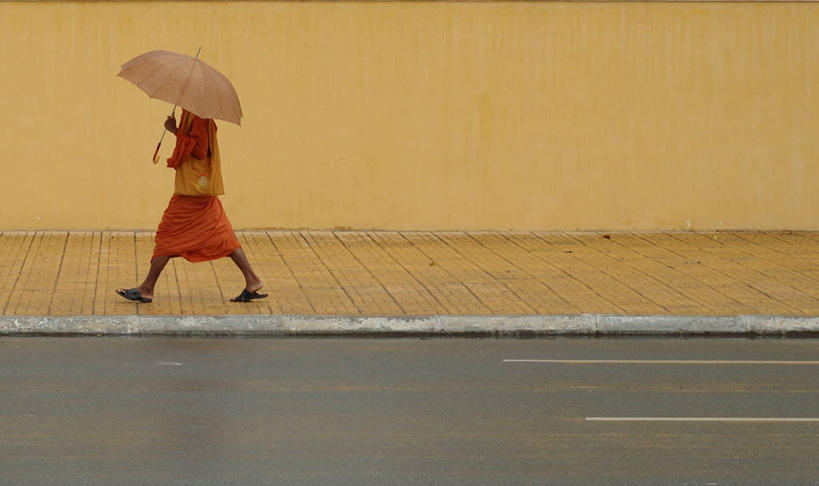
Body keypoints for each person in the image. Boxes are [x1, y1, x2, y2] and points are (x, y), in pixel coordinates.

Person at [117, 110, 266, 303]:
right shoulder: (191, 113)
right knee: (222, 234)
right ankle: (252, 279)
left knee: (167, 235)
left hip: (193, 191)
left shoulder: (199, 116)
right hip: (197, 190)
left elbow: (200, 149)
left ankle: (147, 288)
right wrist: (177, 130)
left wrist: (175, 130)